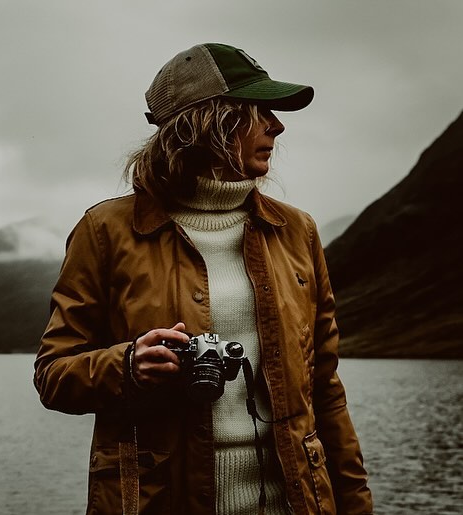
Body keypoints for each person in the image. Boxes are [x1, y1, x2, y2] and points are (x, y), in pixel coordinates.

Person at [34, 43, 372, 515]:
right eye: (260, 111)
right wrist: (129, 365)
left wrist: (356, 506)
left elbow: (326, 390)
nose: (277, 126)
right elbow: (53, 374)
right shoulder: (105, 230)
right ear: (211, 121)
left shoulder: (298, 231)